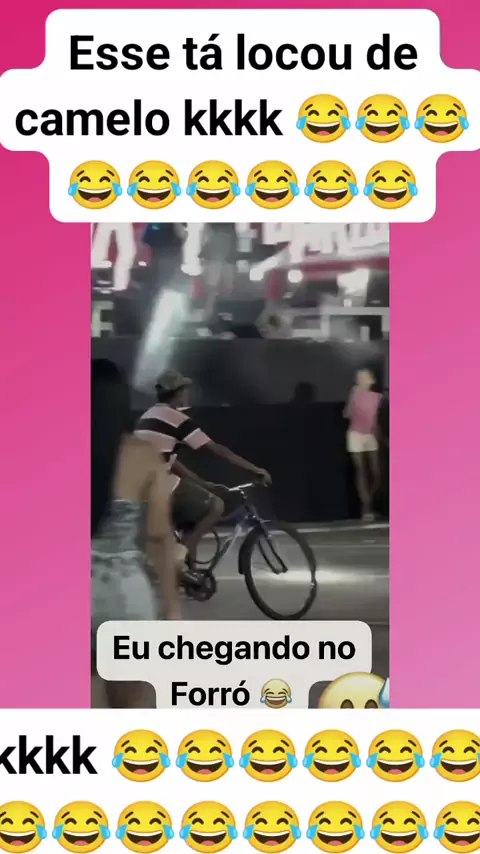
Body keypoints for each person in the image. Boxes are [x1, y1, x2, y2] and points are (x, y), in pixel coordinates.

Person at [91, 359, 180, 708]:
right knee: (125, 714)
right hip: (125, 595)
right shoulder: (143, 455)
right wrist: (171, 605)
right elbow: (158, 535)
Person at [135, 369, 271, 563]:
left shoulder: (147, 417)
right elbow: (216, 449)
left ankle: (189, 572)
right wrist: (254, 469)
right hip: (158, 485)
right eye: (185, 390)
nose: (187, 394)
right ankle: (181, 555)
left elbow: (170, 462)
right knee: (215, 506)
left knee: (192, 521)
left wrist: (203, 483)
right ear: (179, 392)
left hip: (141, 487)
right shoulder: (176, 418)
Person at [344, 368, 382, 522]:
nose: (360, 380)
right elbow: (346, 414)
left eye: (364, 377)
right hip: (355, 435)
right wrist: (352, 397)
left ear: (372, 381)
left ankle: (369, 502)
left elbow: (377, 419)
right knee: (361, 471)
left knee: (376, 473)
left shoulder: (377, 397)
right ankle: (366, 508)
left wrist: (381, 436)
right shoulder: (355, 395)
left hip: (371, 435)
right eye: (358, 378)